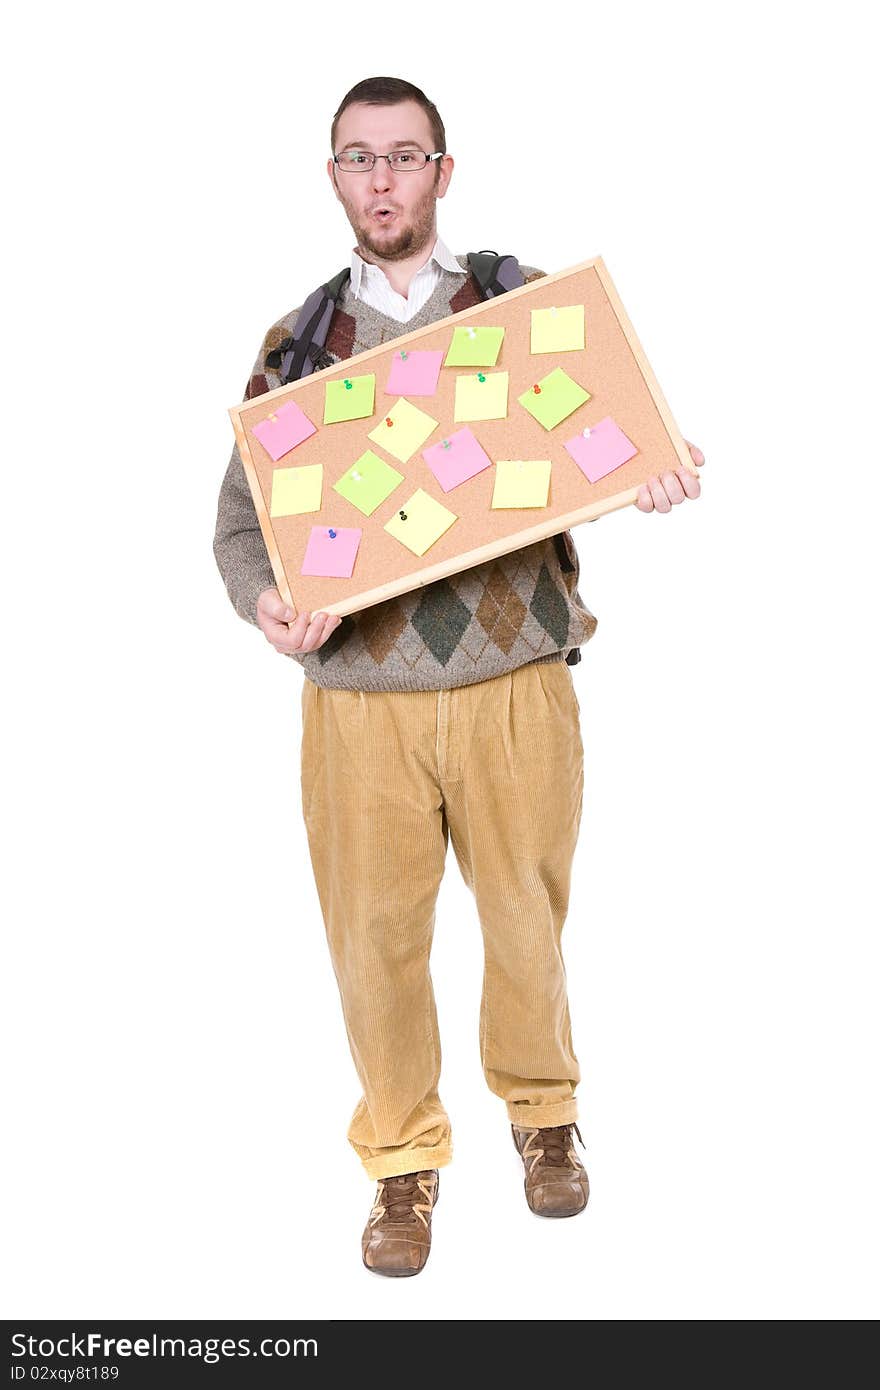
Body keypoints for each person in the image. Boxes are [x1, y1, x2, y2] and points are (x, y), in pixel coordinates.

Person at [213, 75, 704, 1279]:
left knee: (527, 924)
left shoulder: (524, 310)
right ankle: (400, 1165)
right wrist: (263, 600)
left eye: (405, 156)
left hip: (517, 679)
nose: (382, 179)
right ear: (334, 177)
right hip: (358, 704)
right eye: (358, 158)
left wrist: (651, 471)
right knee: (373, 943)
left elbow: (617, 438)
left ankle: (543, 1117)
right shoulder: (300, 346)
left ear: (444, 169)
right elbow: (240, 526)